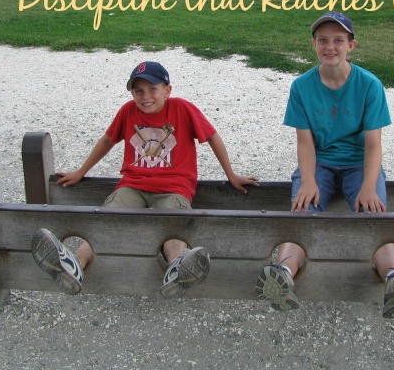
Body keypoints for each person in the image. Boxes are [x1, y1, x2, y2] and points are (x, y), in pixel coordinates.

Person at [254, 12, 394, 318]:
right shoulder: (301, 87)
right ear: (313, 44)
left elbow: (373, 144)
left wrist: (367, 186)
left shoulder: (369, 85)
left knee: (373, 214)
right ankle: (282, 274)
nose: (330, 46)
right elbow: (305, 142)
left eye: (338, 40)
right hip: (320, 162)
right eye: (323, 40)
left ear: (352, 45)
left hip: (358, 163)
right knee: (301, 210)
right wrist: (308, 180)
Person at [31, 61, 258, 299]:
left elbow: (212, 137)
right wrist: (81, 171)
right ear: (131, 93)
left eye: (152, 89)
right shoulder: (128, 111)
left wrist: (230, 174)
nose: (145, 96)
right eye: (138, 90)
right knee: (109, 218)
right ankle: (74, 263)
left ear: (167, 90)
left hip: (173, 187)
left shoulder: (182, 109)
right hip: (134, 185)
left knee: (173, 225)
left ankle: (178, 267)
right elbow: (108, 140)